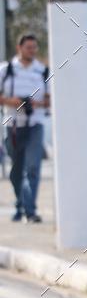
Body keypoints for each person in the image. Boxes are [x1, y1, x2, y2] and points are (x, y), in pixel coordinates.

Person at [0, 34, 50, 223]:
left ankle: (30, 211)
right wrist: (11, 101)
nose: (32, 51)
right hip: (12, 125)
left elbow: (50, 99)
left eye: (34, 47)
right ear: (19, 47)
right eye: (28, 47)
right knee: (16, 170)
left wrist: (35, 104)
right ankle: (20, 203)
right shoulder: (6, 70)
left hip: (34, 124)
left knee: (33, 168)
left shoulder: (42, 71)